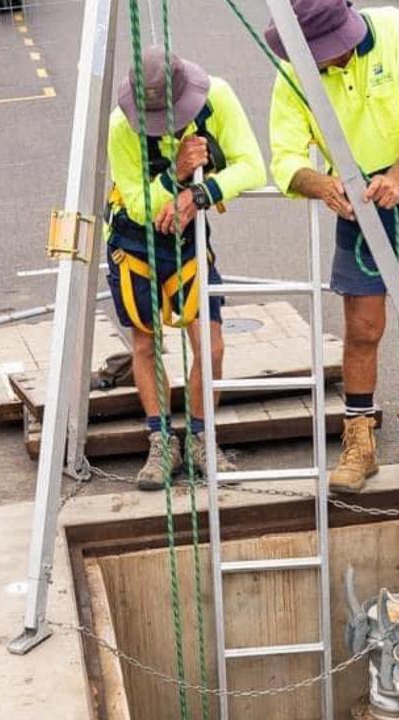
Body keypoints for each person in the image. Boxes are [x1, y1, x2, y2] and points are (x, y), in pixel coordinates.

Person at [267, 0, 399, 493]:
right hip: (355, 199)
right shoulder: (293, 71)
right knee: (363, 327)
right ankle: (359, 438)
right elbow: (285, 157)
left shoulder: (397, 33)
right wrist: (323, 185)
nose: (337, 61)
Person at [106, 51, 266, 490]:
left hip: (190, 239)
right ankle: (160, 439)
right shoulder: (121, 127)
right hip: (134, 240)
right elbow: (138, 205)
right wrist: (175, 177)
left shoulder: (219, 98)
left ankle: (199, 438)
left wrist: (198, 195)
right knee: (145, 342)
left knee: (210, 347)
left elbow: (252, 166)